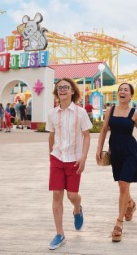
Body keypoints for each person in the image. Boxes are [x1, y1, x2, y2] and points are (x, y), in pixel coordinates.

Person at [95, 83, 137, 242]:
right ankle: (131, 204)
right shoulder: (110, 110)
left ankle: (118, 224)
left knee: (123, 184)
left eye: (126, 90)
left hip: (131, 153)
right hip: (116, 153)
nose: (122, 91)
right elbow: (104, 129)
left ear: (131, 95)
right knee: (122, 185)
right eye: (120, 89)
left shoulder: (135, 114)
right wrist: (99, 148)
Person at [46, 78, 92, 250]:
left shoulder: (80, 113)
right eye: (59, 88)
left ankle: (77, 208)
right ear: (56, 92)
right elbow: (51, 136)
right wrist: (51, 155)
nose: (62, 90)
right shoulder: (51, 114)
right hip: (57, 157)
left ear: (73, 91)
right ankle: (60, 234)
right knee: (57, 195)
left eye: (66, 87)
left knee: (72, 195)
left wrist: (84, 157)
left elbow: (87, 135)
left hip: (74, 158)